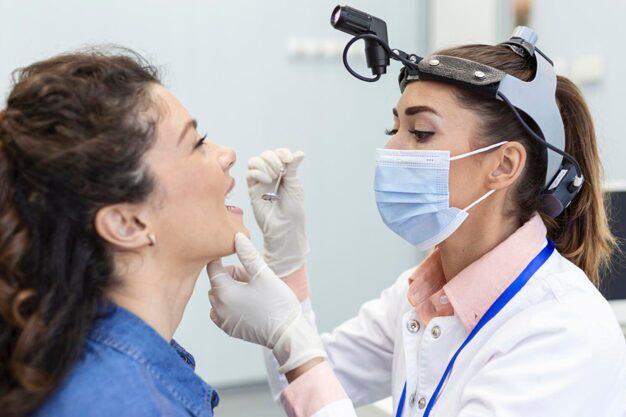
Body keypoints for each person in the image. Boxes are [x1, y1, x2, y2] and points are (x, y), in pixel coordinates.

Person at [207, 41, 626, 416]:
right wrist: (287, 265)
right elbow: (307, 380)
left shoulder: (562, 331)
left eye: (421, 133)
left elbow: (308, 369)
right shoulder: (424, 294)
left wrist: (291, 338)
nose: (391, 150)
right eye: (395, 129)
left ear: (504, 165)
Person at [0, 48, 279, 417]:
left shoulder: (102, 368)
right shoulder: (122, 404)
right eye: (197, 143)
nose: (227, 154)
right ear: (127, 224)